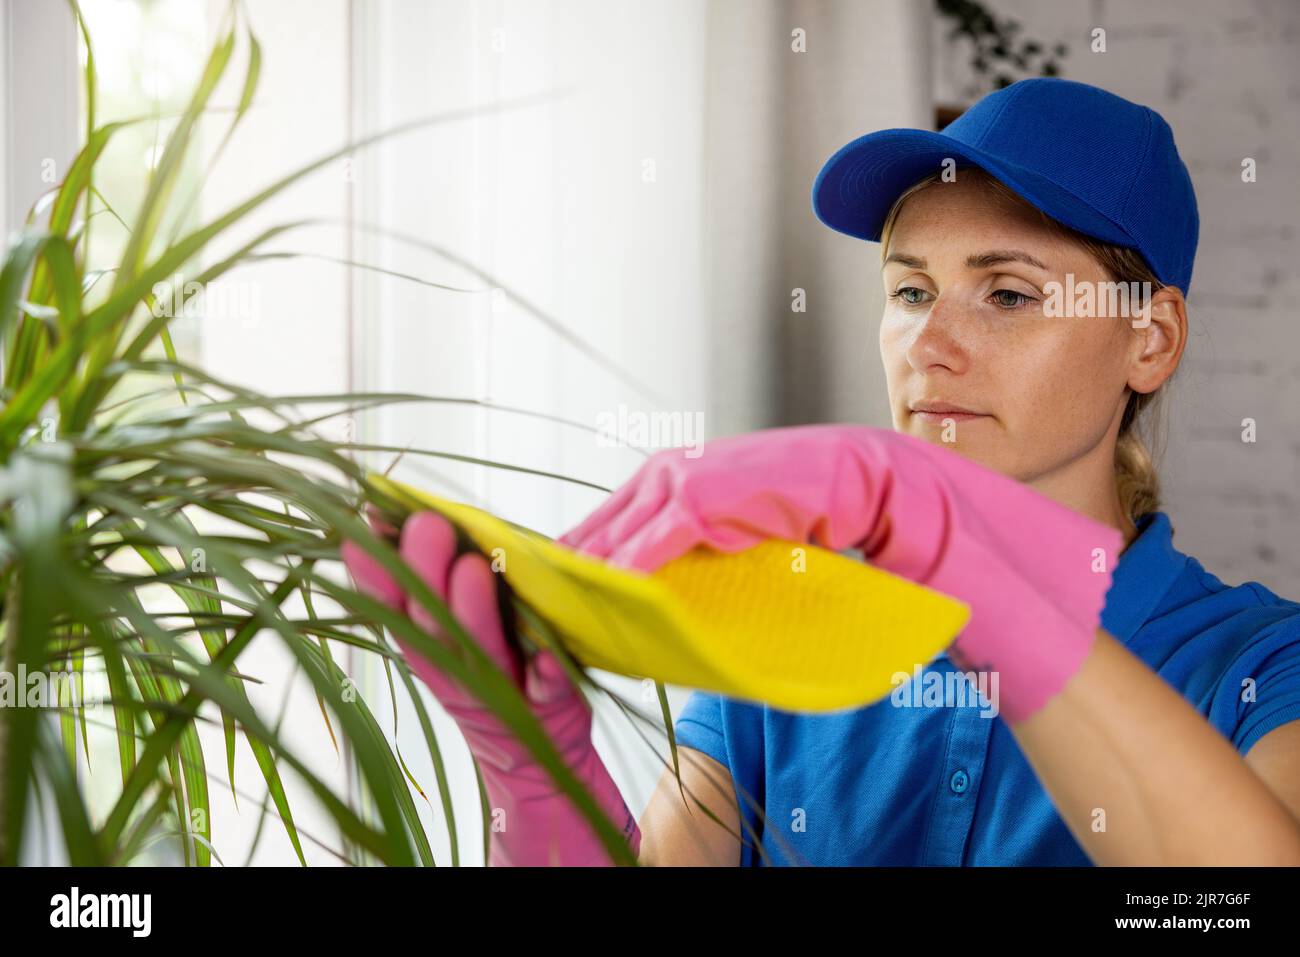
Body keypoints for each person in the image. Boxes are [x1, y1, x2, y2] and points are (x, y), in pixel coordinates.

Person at [343, 78, 1300, 866]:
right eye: (910, 290)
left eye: (1007, 293)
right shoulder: (780, 637)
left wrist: (967, 565)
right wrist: (536, 776)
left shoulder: (1261, 669)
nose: (929, 343)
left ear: (1151, 337)